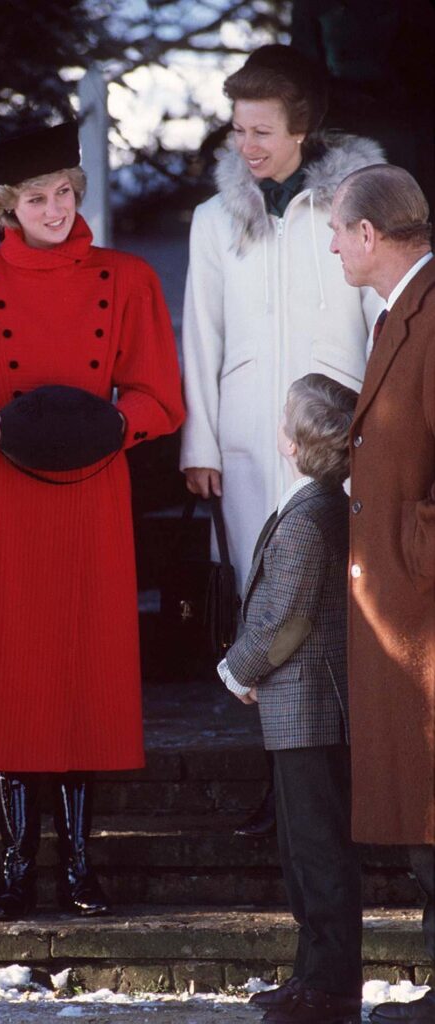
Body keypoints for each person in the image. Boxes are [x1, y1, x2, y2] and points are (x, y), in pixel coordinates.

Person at [0, 121, 185, 920]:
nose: (57, 208)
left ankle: (79, 868)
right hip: (3, 497)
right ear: (6, 206)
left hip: (92, 493)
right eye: (39, 197)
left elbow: (159, 394)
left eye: (66, 192)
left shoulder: (126, 276)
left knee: (80, 675)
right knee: (12, 680)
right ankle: (14, 865)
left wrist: (112, 426)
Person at [180, 43, 384, 595]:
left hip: (337, 426)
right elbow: (202, 334)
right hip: (245, 430)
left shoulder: (357, 207)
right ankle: (250, 686)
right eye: (238, 131)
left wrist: (383, 427)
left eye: (262, 132)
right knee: (255, 586)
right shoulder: (213, 220)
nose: (246, 147)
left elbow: (382, 319)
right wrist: (200, 444)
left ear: (300, 129)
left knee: (339, 585)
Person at [219, 373, 362, 1024]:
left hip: (307, 706)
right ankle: (312, 975)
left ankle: (329, 986)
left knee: (317, 851)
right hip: (300, 708)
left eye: (285, 418)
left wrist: (237, 670)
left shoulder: (311, 517)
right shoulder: (318, 504)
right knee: (302, 852)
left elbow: (286, 617)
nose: (278, 425)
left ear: (299, 441)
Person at [329, 164, 435, 1024]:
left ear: (370, 235)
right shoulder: (405, 311)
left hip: (423, 607)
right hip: (407, 604)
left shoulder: (430, 314)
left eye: (338, 230)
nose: (331, 244)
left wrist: (411, 549)